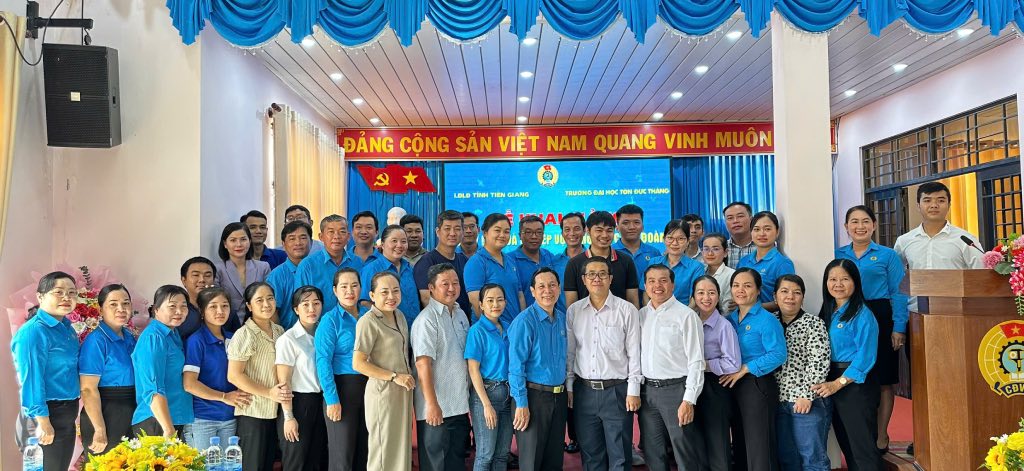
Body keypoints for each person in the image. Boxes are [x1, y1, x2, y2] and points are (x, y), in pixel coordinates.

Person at [837, 205, 908, 453]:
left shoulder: (888, 255)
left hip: (880, 315)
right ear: (846, 227)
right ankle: (861, 433)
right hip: (848, 315)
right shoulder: (838, 254)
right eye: (854, 222)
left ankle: (881, 434)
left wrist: (898, 327)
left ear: (874, 225)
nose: (860, 226)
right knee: (857, 373)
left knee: (883, 380)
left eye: (865, 221)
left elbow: (899, 293)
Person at [566, 257, 642, 470]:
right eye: (591, 274)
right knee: (591, 456)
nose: (596, 278)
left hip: (616, 391)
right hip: (584, 392)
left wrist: (633, 390)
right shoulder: (574, 311)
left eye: (602, 274)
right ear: (583, 279)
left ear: (610, 278)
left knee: (620, 456)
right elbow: (570, 353)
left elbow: (635, 353)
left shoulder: (627, 310)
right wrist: (570, 386)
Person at [811, 260, 881, 471]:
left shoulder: (862, 314)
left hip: (853, 384)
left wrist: (838, 383)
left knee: (862, 447)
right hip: (832, 378)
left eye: (844, 279)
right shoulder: (829, 310)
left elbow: (866, 357)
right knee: (846, 444)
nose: (838, 284)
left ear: (855, 282)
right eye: (832, 279)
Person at [638, 264, 707, 471]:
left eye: (663, 280)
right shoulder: (641, 315)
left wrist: (689, 400)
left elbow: (696, 361)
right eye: (651, 281)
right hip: (647, 392)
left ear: (673, 284)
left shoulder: (686, 316)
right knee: (653, 451)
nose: (657, 286)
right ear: (645, 285)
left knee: (683, 450)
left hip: (676, 392)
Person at [11, 272, 81, 470]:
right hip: (45, 414)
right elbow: (32, 380)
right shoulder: (34, 331)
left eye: (71, 293)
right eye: (59, 292)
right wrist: (43, 422)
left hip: (66, 413)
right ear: (40, 296)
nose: (66, 297)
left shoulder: (67, 328)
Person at [720, 268, 787, 471]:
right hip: (733, 386)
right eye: (736, 285)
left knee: (759, 446)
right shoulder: (730, 319)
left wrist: (746, 368)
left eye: (747, 286)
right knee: (740, 442)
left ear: (758, 290)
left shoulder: (766, 319)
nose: (741, 290)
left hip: (757, 385)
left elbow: (778, 354)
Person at [352, 272, 416, 471]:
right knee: (382, 451)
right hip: (383, 393)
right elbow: (358, 363)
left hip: (403, 393)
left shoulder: (400, 316)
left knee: (401, 449)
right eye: (384, 292)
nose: (391, 296)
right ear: (371, 295)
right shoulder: (368, 321)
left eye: (396, 291)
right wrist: (394, 377)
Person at [412, 264, 472, 471]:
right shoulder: (426, 320)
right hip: (436, 408)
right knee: (436, 464)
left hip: (458, 405)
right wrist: (431, 404)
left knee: (455, 461)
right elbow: (422, 364)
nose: (451, 288)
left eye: (455, 283)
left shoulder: (460, 314)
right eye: (444, 284)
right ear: (431, 287)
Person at [508, 268, 569, 471]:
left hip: (558, 398)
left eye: (552, 285)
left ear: (559, 289)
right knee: (532, 462)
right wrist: (521, 404)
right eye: (541, 286)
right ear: (532, 291)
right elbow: (516, 367)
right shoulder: (524, 322)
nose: (547, 291)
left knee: (554, 460)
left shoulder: (562, 319)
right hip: (533, 398)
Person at [227, 282, 290, 471]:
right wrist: (269, 393)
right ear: (249, 306)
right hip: (253, 412)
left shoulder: (279, 331)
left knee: (268, 464)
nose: (266, 304)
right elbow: (234, 375)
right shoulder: (244, 334)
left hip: (275, 412)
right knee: (253, 466)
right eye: (259, 300)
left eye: (270, 298)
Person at [773, 275, 831, 471]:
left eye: (796, 292)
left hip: (806, 402)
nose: (790, 297)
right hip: (778, 402)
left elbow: (819, 362)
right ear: (775, 296)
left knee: (813, 459)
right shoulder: (770, 323)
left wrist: (806, 395)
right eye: (785, 291)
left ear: (803, 298)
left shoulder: (814, 323)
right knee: (788, 459)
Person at [183, 287, 252, 450]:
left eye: (225, 306)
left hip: (230, 417)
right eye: (213, 306)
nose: (220, 311)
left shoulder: (233, 338)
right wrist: (224, 396)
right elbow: (189, 384)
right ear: (202, 311)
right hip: (202, 419)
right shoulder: (196, 341)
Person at [315, 268, 370, 471]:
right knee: (342, 456)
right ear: (335, 291)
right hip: (342, 389)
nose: (350, 291)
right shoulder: (330, 321)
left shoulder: (370, 316)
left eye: (354, 285)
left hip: (370, 389)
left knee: (365, 452)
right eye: (344, 286)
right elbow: (323, 361)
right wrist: (332, 399)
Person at [691, 276, 741, 471]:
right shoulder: (689, 320)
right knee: (696, 439)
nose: (706, 297)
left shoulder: (723, 326)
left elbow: (733, 363)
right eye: (701, 293)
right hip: (692, 384)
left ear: (719, 296)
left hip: (714, 386)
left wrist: (704, 365)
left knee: (717, 441)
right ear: (693, 296)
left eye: (711, 293)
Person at [79, 284, 137, 455]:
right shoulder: (96, 341)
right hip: (105, 412)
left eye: (126, 303)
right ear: (101, 309)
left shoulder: (130, 337)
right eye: (113, 304)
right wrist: (99, 429)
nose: (121, 309)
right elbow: (88, 389)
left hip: (131, 409)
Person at [276, 285, 329, 470]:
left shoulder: (324, 334)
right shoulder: (288, 339)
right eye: (305, 304)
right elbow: (284, 382)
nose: (311, 309)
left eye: (316, 303)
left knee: (317, 460)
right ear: (296, 309)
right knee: (296, 461)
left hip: (321, 402)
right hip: (298, 403)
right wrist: (288, 416)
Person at [131, 285, 195, 438]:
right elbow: (152, 388)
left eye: (183, 306)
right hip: (156, 422)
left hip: (173, 418)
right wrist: (168, 428)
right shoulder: (154, 337)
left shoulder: (173, 334)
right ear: (156, 310)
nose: (179, 311)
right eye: (172, 306)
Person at [465, 284, 513, 471]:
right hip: (486, 394)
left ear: (506, 302)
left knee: (502, 455)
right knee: (486, 454)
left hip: (509, 395)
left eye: (500, 300)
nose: (495, 304)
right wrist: (486, 405)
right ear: (481, 305)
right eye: (490, 300)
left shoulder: (509, 328)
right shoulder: (477, 331)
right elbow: (473, 370)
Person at [549, 212, 585, 453]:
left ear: (584, 230)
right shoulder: (553, 261)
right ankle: (569, 436)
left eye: (576, 228)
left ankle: (583, 435)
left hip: (589, 329)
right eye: (567, 229)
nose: (571, 233)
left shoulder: (592, 258)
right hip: (560, 330)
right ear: (561, 232)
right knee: (566, 380)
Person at [893, 181, 985, 271]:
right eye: (927, 201)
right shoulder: (904, 241)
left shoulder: (966, 240)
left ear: (949, 205)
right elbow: (894, 272)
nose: (934, 205)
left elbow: (982, 273)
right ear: (918, 206)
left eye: (941, 201)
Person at [563, 211, 641, 309]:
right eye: (599, 230)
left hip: (620, 321)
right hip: (585, 322)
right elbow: (571, 305)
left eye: (609, 230)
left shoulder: (626, 261)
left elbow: (632, 301)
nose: (604, 235)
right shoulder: (574, 264)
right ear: (588, 231)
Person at [464, 213, 526, 321]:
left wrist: (522, 325)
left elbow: (519, 296)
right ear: (485, 233)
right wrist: (495, 329)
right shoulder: (476, 262)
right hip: (491, 332)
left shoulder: (510, 261)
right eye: (497, 230)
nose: (502, 235)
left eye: (506, 232)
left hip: (514, 330)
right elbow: (476, 304)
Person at [360, 225, 420, 326]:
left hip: (414, 329)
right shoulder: (371, 269)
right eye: (394, 241)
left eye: (404, 241)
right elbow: (364, 302)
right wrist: (387, 322)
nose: (399, 245)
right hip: (386, 331)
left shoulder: (410, 268)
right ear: (382, 245)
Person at [414, 210, 471, 316]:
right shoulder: (426, 262)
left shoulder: (465, 261)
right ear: (437, 232)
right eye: (447, 228)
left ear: (462, 232)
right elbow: (426, 300)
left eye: (457, 229)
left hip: (463, 324)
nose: (453, 233)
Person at [297, 215, 358, 311]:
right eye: (331, 232)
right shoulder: (307, 266)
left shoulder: (357, 262)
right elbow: (301, 303)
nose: (336, 236)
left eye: (342, 232)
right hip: (319, 324)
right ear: (321, 237)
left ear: (348, 236)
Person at [737, 211, 795, 311]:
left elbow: (788, 299)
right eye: (756, 229)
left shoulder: (782, 263)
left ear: (777, 232)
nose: (762, 233)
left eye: (767, 229)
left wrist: (754, 307)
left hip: (770, 318)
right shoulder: (744, 261)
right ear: (751, 233)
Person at [214, 222, 272, 323]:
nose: (239, 244)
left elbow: (268, 296)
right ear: (225, 244)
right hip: (227, 323)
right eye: (233, 240)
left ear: (249, 241)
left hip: (258, 322)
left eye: (243, 239)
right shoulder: (218, 269)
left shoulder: (263, 267)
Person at [641, 219, 704, 305]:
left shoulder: (696, 267)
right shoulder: (653, 262)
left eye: (680, 239)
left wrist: (680, 317)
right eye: (670, 238)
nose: (675, 243)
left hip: (682, 316)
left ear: (688, 241)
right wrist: (652, 314)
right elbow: (646, 293)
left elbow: (695, 299)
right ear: (664, 239)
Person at [267, 220, 314, 327]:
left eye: (303, 238)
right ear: (283, 244)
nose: (298, 243)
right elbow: (272, 312)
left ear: (311, 242)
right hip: (288, 337)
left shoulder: (319, 269)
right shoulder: (277, 276)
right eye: (292, 238)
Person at [180, 256, 241, 339]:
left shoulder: (227, 311)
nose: (202, 280)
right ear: (184, 280)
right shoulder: (178, 311)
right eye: (195, 275)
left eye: (207, 275)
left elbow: (238, 340)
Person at [507, 215, 557, 307]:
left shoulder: (549, 256)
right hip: (523, 318)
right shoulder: (509, 260)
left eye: (538, 232)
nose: (534, 236)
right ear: (520, 236)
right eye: (528, 232)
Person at [612, 204, 662, 282]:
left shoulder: (654, 253)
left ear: (643, 227)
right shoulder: (610, 252)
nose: (632, 227)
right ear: (617, 227)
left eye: (636, 222)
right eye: (626, 223)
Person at [701, 234, 735, 312]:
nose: (710, 253)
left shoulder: (731, 275)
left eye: (715, 249)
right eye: (706, 249)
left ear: (725, 252)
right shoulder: (699, 272)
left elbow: (727, 309)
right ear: (702, 252)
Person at [723, 202, 756, 269]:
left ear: (751, 219)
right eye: (730, 218)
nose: (735, 221)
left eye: (740, 216)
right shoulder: (722, 248)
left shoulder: (763, 246)